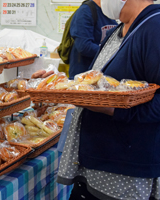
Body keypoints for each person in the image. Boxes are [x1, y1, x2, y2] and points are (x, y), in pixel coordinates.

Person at [55, 0, 160, 199]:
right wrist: (59, 82)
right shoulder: (119, 30)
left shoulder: (154, 28)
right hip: (94, 162)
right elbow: (101, 82)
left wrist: (115, 109)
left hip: (124, 173)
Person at [68, 0, 117, 78]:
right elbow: (84, 46)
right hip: (83, 76)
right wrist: (112, 54)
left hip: (102, 75)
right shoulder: (85, 11)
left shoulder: (110, 13)